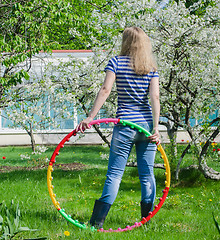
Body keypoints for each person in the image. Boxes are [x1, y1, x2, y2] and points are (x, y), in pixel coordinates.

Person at [75, 27, 160, 229]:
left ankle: (97, 223)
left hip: (125, 126)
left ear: (126, 42)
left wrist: (91, 116)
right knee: (147, 175)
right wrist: (156, 128)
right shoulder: (151, 67)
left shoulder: (116, 62)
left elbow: (105, 90)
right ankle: (146, 221)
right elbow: (155, 97)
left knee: (114, 174)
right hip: (146, 127)